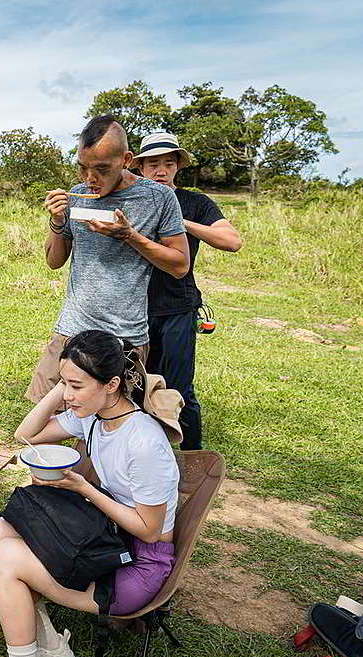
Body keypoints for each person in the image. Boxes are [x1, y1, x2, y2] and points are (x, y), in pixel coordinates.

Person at [0, 330, 182, 657]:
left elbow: (150, 529)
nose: (68, 396)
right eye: (65, 384)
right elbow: (26, 434)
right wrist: (65, 385)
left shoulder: (144, 442)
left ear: (112, 384)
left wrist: (83, 487)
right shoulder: (94, 415)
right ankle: (49, 650)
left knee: (6, 560)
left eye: (77, 386)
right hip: (107, 537)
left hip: (137, 564)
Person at [27, 115, 190, 406]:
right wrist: (56, 220)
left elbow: (179, 265)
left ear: (126, 159)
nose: (90, 178)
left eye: (101, 169)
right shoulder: (76, 196)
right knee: (43, 413)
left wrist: (130, 235)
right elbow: (54, 261)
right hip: (72, 329)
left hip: (125, 336)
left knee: (109, 427)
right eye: (83, 168)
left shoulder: (159, 198)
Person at [133, 132, 242, 450]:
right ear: (140, 168)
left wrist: (180, 222)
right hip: (133, 306)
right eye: (153, 164)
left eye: (169, 163)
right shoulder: (131, 200)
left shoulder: (194, 202)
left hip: (178, 307)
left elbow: (232, 241)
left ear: (178, 166)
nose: (161, 171)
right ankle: (143, 452)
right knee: (137, 383)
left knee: (180, 387)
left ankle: (191, 457)